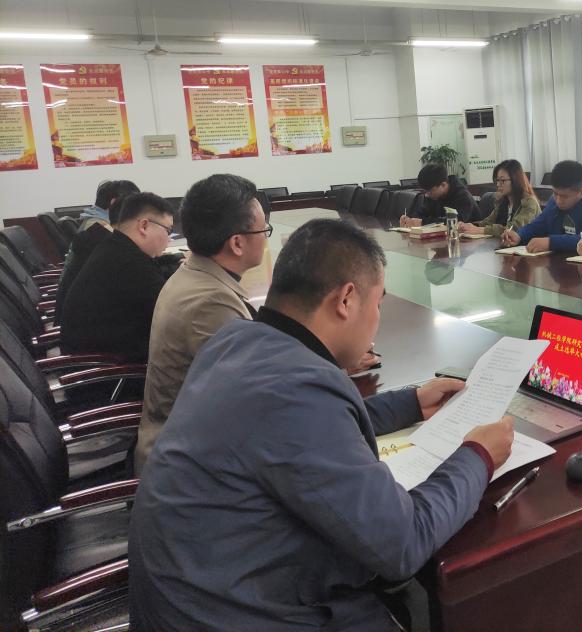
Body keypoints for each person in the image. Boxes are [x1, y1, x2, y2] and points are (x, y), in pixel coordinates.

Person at [129, 218, 515, 631]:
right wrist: (478, 456)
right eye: (378, 303)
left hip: (193, 588)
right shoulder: (297, 393)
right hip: (233, 614)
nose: (378, 317)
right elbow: (404, 541)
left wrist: (411, 403)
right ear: (346, 300)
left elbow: (310, 428)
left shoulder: (236, 341)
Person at [134, 174, 266, 473]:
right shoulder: (210, 303)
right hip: (188, 466)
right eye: (263, 230)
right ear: (237, 243)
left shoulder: (194, 274)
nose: (265, 237)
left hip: (188, 441)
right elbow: (255, 396)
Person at [61, 192, 176, 361]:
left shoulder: (114, 248)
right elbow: (174, 314)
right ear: (144, 226)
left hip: (95, 356)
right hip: (108, 370)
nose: (169, 239)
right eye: (168, 230)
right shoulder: (131, 265)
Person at [55, 180, 139, 323]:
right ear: (114, 203)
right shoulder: (98, 230)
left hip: (77, 306)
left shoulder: (95, 221)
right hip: (81, 316)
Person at [502, 160, 582, 253]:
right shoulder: (554, 200)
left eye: (564, 196)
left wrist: (551, 243)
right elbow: (539, 224)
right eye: (555, 193)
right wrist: (519, 235)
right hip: (565, 262)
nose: (558, 200)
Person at [459, 159, 541, 237]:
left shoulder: (530, 202)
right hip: (505, 244)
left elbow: (514, 229)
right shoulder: (502, 201)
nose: (498, 184)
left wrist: (479, 230)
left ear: (515, 180)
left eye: (503, 181)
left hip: (527, 245)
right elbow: (487, 222)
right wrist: (469, 226)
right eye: (497, 180)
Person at [401, 163, 478, 226]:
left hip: (468, 237)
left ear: (443, 185)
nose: (427, 195)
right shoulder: (433, 195)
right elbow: (422, 213)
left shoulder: (463, 196)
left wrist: (423, 222)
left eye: (430, 191)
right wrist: (409, 220)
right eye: (426, 191)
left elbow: (455, 221)